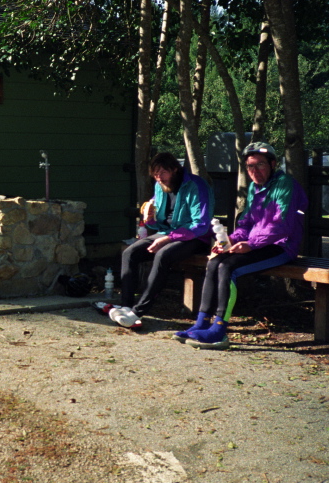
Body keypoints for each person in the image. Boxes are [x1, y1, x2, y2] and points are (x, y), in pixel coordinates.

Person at [178, 142, 308, 349]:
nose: (254, 171)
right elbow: (246, 222)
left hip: (282, 246)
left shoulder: (285, 184)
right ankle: (201, 324)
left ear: (273, 164)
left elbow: (282, 225)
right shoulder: (254, 188)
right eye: (250, 167)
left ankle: (219, 331)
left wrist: (251, 244)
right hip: (256, 245)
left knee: (228, 268)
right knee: (214, 262)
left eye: (260, 165)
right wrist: (228, 242)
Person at [117, 152, 215, 317]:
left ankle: (139, 310)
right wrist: (149, 219)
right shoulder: (159, 186)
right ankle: (126, 306)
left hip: (195, 237)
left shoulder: (197, 185)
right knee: (130, 252)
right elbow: (159, 221)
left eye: (162, 173)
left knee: (163, 254)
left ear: (175, 169)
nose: (159, 178)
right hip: (167, 233)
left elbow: (201, 225)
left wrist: (168, 239)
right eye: (155, 174)